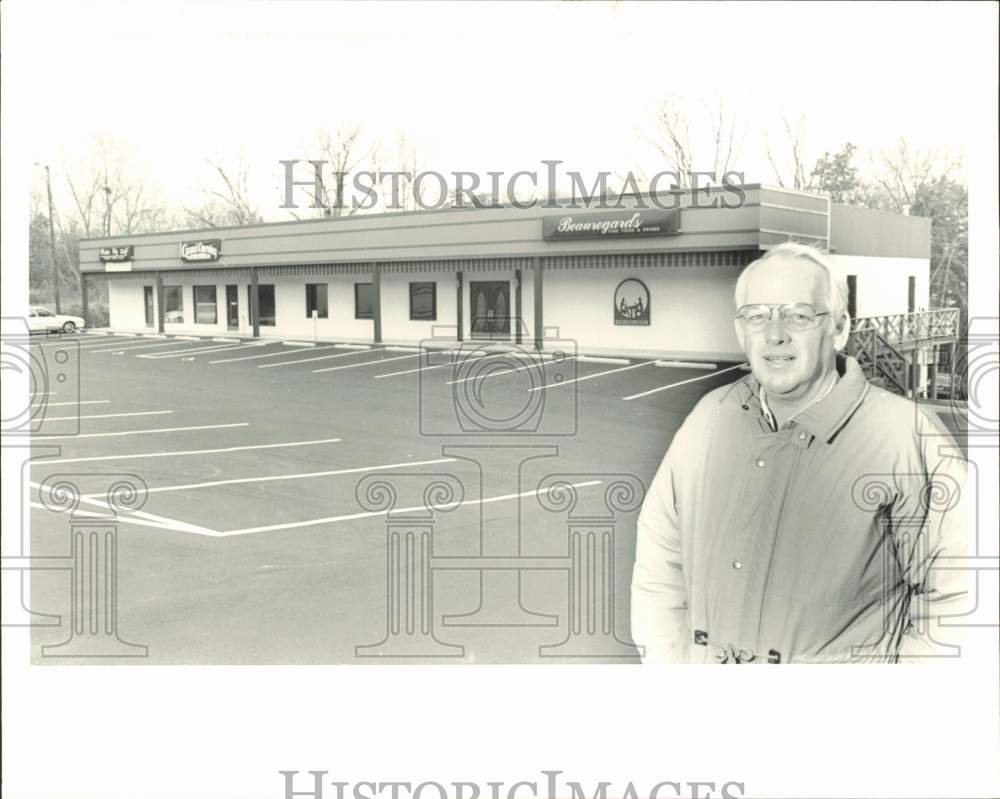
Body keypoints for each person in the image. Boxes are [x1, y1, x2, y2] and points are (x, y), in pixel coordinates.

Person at [631, 242, 968, 664]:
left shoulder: (906, 439)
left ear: (840, 329)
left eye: (799, 315)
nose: (775, 334)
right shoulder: (708, 420)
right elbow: (660, 560)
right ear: (741, 330)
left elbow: (959, 602)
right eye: (757, 316)